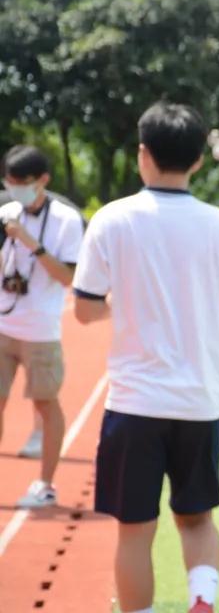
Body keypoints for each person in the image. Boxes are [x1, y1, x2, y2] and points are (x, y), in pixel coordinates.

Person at [72, 103, 219, 613]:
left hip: (134, 403)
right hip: (201, 402)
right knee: (197, 519)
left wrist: (127, 301)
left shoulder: (112, 219)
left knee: (135, 531)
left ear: (142, 154)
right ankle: (202, 600)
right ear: (198, 160)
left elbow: (84, 310)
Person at [0, 145, 84, 507]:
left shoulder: (66, 219)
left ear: (43, 180)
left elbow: (67, 277)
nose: (14, 188)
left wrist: (30, 243)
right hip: (4, 324)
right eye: (9, 182)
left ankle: (46, 484)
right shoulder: (5, 212)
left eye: (22, 182)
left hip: (40, 330)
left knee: (46, 403)